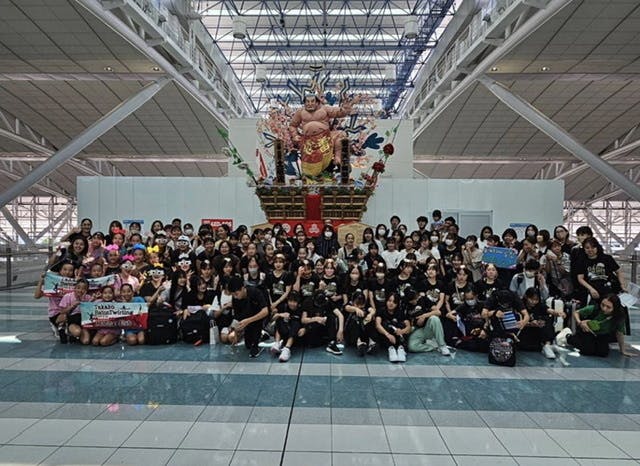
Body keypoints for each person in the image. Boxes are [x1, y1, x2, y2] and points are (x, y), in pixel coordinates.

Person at [289, 94, 357, 173]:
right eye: (307, 102)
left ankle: (338, 158)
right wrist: (295, 135)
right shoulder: (300, 112)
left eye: (312, 101)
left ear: (317, 102)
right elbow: (292, 125)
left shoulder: (325, 109)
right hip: (308, 140)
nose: (310, 104)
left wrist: (345, 108)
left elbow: (340, 113)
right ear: (304, 103)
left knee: (342, 135)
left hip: (325, 137)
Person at [564, 294, 635, 357]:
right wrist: (580, 323)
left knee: (603, 353)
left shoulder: (619, 317)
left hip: (602, 335)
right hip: (587, 332)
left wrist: (622, 350)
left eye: (608, 307)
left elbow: (619, 333)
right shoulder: (594, 308)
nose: (604, 309)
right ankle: (569, 337)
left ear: (615, 308)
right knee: (587, 351)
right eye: (602, 305)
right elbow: (576, 313)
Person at [228, 275, 269, 358]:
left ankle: (260, 334)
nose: (235, 297)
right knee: (248, 345)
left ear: (243, 288)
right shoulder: (235, 299)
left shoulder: (255, 292)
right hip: (246, 319)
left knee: (254, 346)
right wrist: (235, 332)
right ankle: (261, 334)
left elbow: (265, 311)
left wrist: (248, 321)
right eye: (233, 295)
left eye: (236, 294)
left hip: (259, 318)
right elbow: (236, 316)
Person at [576, 237, 625, 304]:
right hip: (594, 291)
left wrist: (622, 285)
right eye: (587, 248)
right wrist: (591, 289)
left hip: (610, 289)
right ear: (584, 249)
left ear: (597, 247)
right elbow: (580, 278)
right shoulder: (582, 261)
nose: (590, 250)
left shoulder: (607, 258)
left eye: (593, 247)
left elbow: (618, 271)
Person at [518, 287, 561, 359]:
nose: (534, 302)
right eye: (531, 299)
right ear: (526, 297)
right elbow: (517, 323)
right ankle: (546, 346)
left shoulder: (539, 305)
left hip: (536, 331)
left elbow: (548, 310)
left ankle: (547, 345)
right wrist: (529, 324)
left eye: (536, 300)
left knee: (546, 318)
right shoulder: (520, 305)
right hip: (524, 332)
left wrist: (557, 313)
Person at [406, 287, 450, 356]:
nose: (415, 301)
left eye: (416, 298)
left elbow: (438, 312)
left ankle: (442, 345)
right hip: (416, 330)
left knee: (434, 318)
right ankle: (432, 346)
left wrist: (424, 316)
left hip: (427, 327)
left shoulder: (423, 299)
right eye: (412, 300)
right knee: (412, 347)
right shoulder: (405, 305)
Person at [375, 293, 411, 363]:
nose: (391, 303)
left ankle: (401, 348)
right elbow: (378, 325)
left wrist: (402, 331)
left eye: (394, 302)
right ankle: (391, 349)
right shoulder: (381, 310)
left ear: (397, 304)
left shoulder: (400, 312)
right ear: (386, 301)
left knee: (401, 324)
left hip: (397, 336)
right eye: (389, 301)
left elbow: (408, 326)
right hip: (386, 336)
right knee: (385, 324)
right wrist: (388, 334)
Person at [270, 291, 304, 362]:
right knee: (279, 319)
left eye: (295, 302)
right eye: (290, 301)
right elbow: (272, 319)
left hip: (295, 335)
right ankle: (277, 343)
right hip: (284, 331)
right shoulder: (283, 306)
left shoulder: (301, 309)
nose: (292, 304)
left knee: (296, 323)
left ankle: (287, 348)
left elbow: (303, 321)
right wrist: (280, 315)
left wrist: (304, 329)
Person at [57, 279, 92, 344]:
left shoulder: (88, 298)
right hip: (72, 320)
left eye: (83, 289)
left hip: (83, 321)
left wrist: (91, 302)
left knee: (86, 341)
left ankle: (78, 334)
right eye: (78, 288)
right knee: (77, 332)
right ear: (75, 288)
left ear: (86, 290)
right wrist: (72, 306)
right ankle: (66, 329)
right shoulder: (67, 296)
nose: (80, 290)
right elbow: (61, 311)